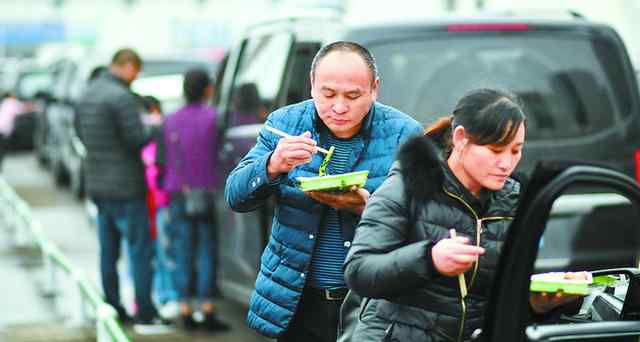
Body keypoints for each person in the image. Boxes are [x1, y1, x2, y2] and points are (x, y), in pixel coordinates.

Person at [343, 88, 581, 341]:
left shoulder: (513, 201)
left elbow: (498, 298)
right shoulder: (407, 186)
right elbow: (359, 271)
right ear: (460, 138)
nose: (506, 163)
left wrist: (540, 304)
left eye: (515, 150)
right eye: (496, 150)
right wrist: (429, 259)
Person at [224, 41, 423, 342]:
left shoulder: (404, 134)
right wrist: (272, 164)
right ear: (312, 85)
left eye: (353, 95)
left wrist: (366, 206)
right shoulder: (285, 124)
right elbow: (235, 196)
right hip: (297, 298)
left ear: (374, 88)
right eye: (328, 94)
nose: (339, 107)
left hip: (370, 303)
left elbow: (424, 219)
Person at [76, 48, 162, 325]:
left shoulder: (87, 93)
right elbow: (135, 139)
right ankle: (145, 311)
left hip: (98, 186)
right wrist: (155, 127)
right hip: (126, 187)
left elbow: (79, 132)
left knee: (108, 251)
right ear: (126, 66)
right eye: (135, 71)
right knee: (139, 251)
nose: (135, 78)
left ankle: (113, 306)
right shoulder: (121, 97)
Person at [158, 68, 229, 331]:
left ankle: (185, 309)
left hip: (179, 192)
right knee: (207, 251)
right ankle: (207, 309)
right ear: (208, 89)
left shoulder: (170, 120)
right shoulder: (215, 118)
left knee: (182, 250)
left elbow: (161, 159)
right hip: (210, 191)